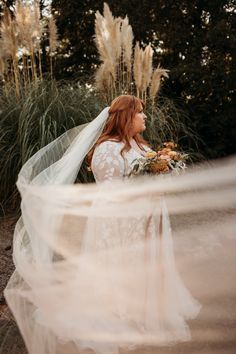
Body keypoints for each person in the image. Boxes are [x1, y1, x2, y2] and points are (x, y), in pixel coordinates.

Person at [7, 94, 236, 354]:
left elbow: (148, 176)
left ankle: (148, 306)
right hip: (121, 222)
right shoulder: (107, 149)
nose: (144, 116)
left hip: (147, 220)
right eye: (139, 112)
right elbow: (111, 192)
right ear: (126, 116)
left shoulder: (140, 146)